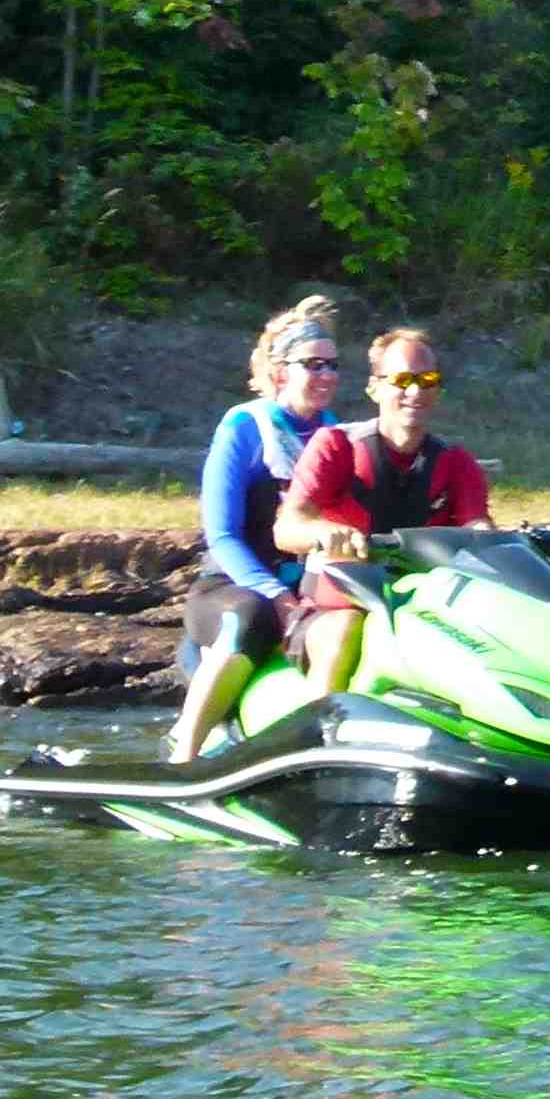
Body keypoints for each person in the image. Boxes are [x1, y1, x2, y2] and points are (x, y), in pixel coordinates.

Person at [166, 296, 350, 762]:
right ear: (281, 371)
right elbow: (222, 536)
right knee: (252, 615)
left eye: (333, 365)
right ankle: (184, 754)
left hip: (308, 585)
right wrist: (275, 595)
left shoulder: (339, 436)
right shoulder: (244, 428)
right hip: (231, 588)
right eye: (313, 365)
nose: (327, 375)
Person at [275, 329, 493, 700]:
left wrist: (490, 537)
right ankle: (316, 727)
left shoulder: (457, 462)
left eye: (427, 380)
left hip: (422, 609)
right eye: (402, 380)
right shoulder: (336, 446)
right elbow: (287, 528)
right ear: (374, 388)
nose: (416, 391)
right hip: (335, 607)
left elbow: (477, 525)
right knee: (345, 631)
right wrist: (324, 532)